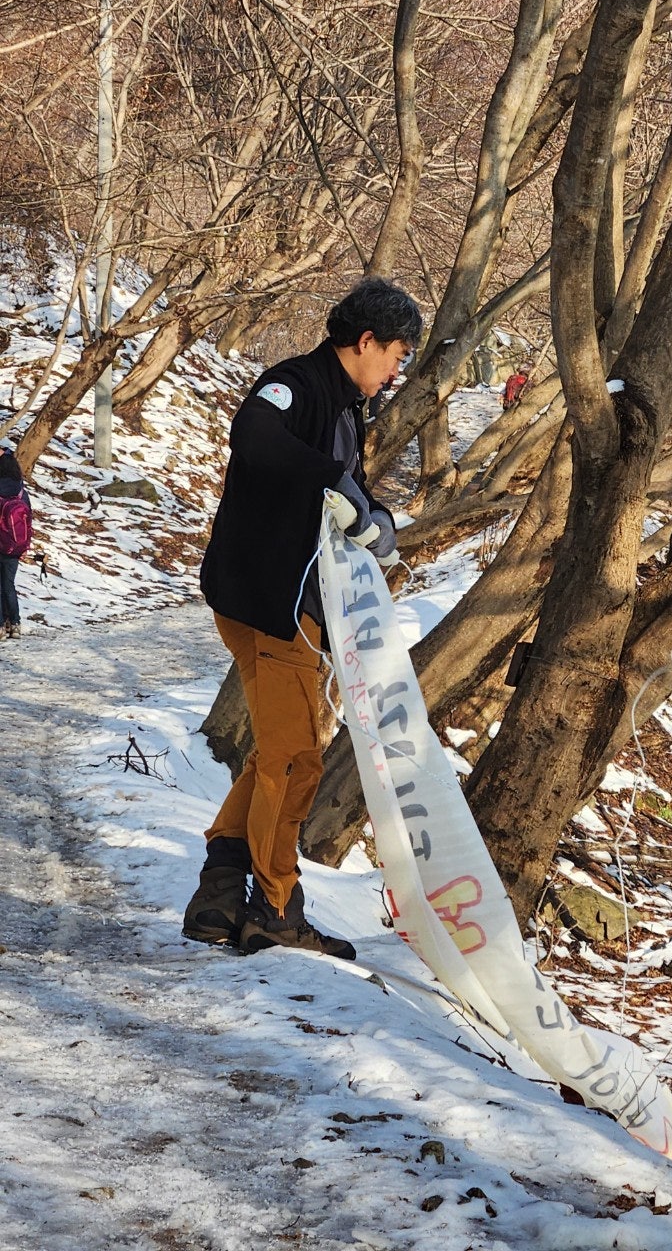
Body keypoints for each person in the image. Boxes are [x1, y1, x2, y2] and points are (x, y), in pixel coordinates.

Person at [183, 276, 423, 957]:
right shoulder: (294, 382)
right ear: (366, 340)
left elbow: (351, 485)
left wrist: (372, 513)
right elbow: (254, 432)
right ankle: (276, 912)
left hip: (281, 600)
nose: (396, 370)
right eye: (395, 355)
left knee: (276, 751)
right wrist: (334, 483)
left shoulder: (347, 407)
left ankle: (219, 893)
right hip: (268, 601)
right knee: (297, 761)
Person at [0, 448, 31, 640]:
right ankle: (16, 624)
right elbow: (28, 519)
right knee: (8, 584)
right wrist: (25, 545)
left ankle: (1, 627)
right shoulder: (21, 491)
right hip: (15, 545)